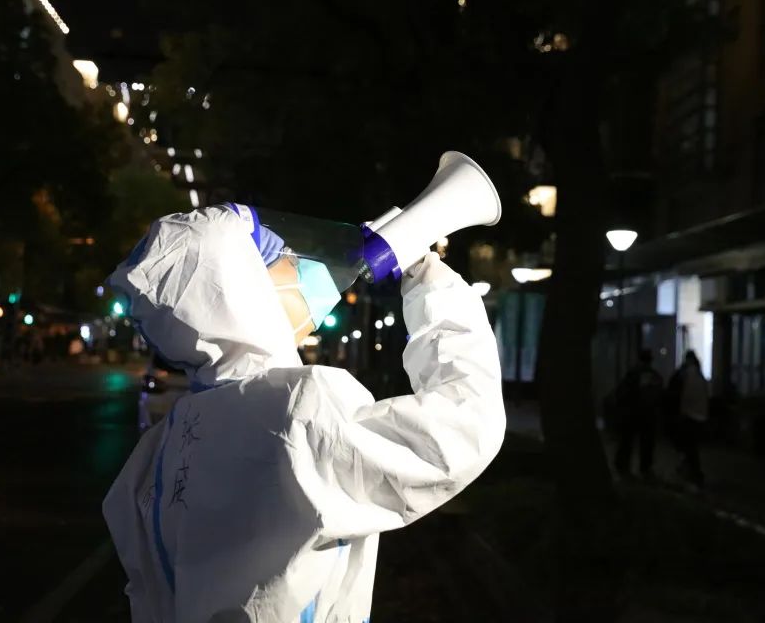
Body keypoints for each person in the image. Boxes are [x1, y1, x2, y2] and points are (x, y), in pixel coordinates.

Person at [102, 205, 505, 623]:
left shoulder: (156, 450)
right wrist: (429, 280)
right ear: (240, 288)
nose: (298, 265)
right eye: (282, 259)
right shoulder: (299, 409)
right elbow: (463, 427)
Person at [613, 349, 664, 479]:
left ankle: (623, 467)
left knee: (627, 441)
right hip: (648, 414)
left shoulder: (633, 373)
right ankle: (645, 468)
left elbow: (622, 392)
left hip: (632, 413)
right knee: (646, 443)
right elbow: (659, 394)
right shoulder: (654, 376)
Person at [668, 350, 708, 489]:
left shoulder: (684, 374)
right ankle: (691, 472)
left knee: (688, 447)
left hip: (688, 415)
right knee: (691, 446)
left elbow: (679, 394)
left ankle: (693, 474)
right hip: (699, 415)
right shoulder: (699, 375)